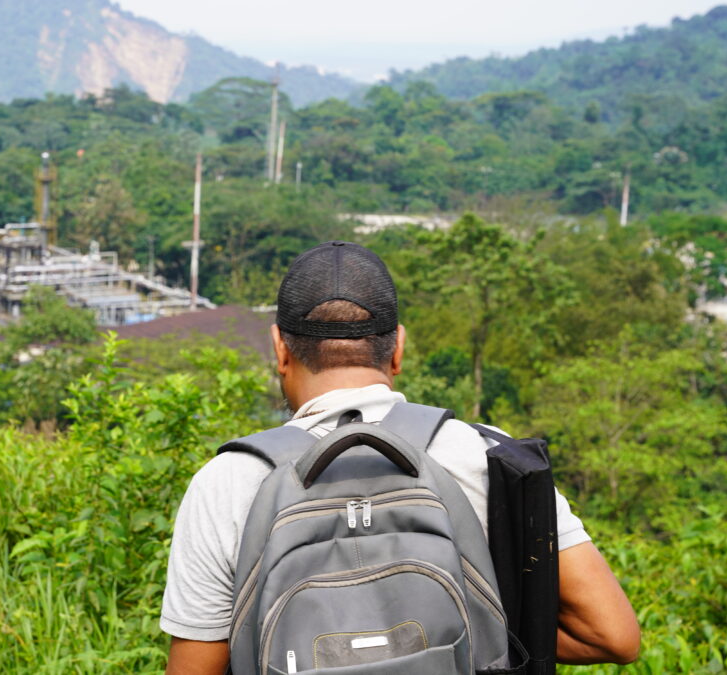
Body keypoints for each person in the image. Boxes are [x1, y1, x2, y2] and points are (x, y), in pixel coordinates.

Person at [160, 241, 640, 673]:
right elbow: (612, 635)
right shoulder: (488, 456)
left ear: (280, 349)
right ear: (398, 350)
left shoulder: (227, 481)